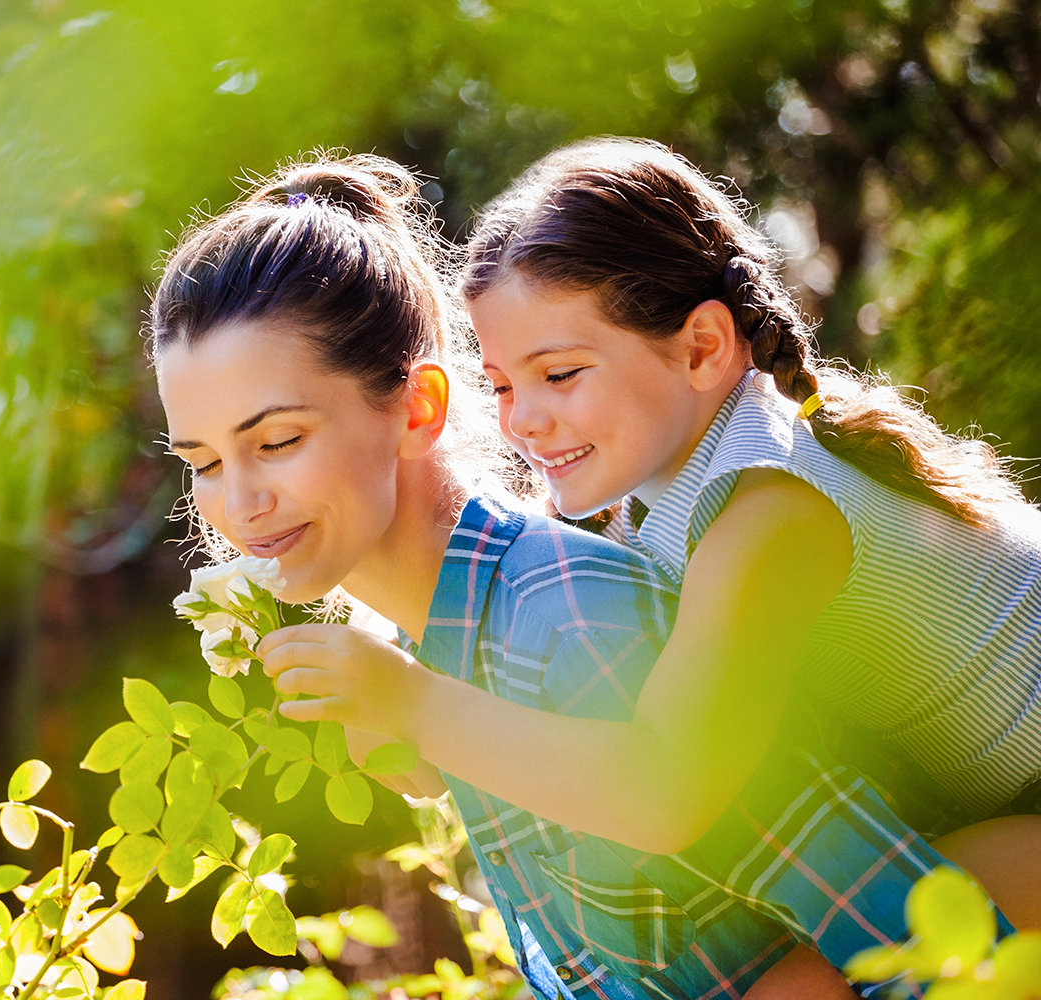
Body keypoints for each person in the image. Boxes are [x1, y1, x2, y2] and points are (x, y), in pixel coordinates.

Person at [150, 153, 990, 1000]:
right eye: (204, 461)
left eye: (277, 441)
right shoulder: (432, 654)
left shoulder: (568, 621)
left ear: (418, 410)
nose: (241, 501)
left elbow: (899, 924)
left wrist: (414, 705)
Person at [451, 137, 1041, 930]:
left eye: (559, 374)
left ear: (702, 347)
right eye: (500, 384)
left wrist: (422, 708)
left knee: (856, 947)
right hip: (1002, 797)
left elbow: (668, 786)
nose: (522, 419)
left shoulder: (766, 511)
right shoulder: (662, 486)